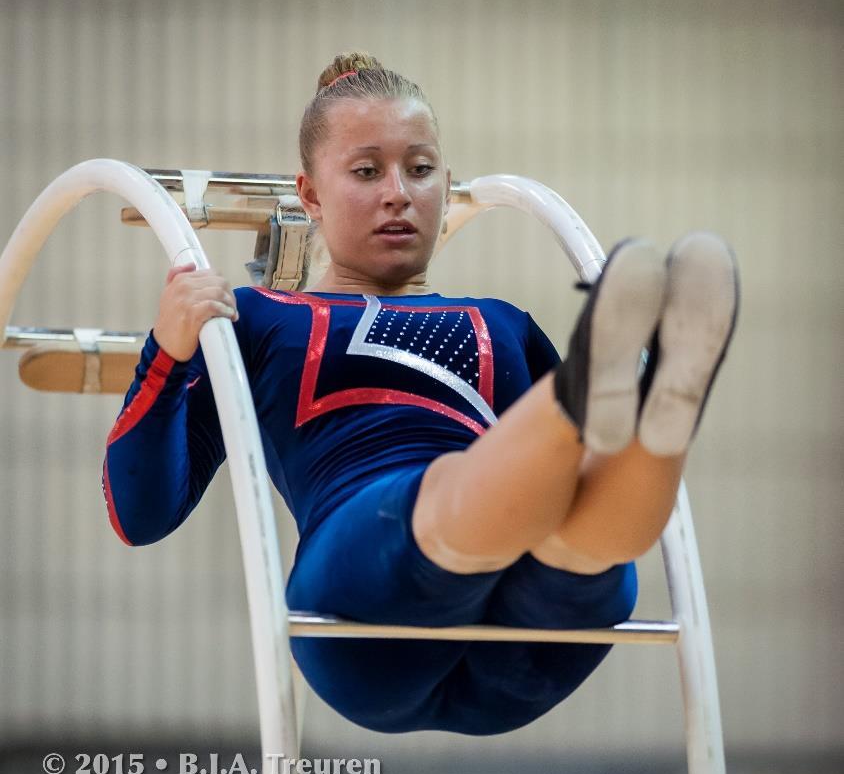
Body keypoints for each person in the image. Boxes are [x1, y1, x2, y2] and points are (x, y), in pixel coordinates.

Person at [102, 53, 738, 736]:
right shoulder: (256, 318)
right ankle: (591, 401)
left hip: (536, 642)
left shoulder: (503, 322)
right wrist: (165, 354)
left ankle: (656, 419)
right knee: (452, 490)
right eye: (367, 171)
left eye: (422, 168)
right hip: (367, 609)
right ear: (310, 196)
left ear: (447, 183)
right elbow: (141, 514)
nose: (398, 193)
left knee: (581, 531)